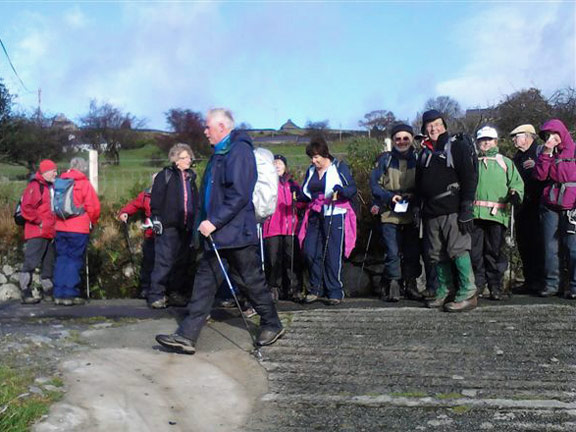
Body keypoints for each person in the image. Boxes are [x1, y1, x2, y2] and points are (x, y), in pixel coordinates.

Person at [156, 108, 284, 354]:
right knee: (205, 282)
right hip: (218, 233)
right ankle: (187, 335)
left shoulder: (239, 152)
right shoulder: (220, 152)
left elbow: (239, 195)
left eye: (208, 127)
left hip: (234, 233)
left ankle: (272, 322)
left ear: (222, 127)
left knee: (250, 281)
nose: (205, 132)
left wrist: (213, 221)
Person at [416, 110, 478, 312]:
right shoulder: (424, 152)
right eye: (429, 125)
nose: (433, 128)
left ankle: (468, 293)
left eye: (437, 124)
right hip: (431, 211)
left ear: (444, 125)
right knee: (436, 254)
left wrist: (467, 206)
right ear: (424, 128)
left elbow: (469, 177)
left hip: (452, 208)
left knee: (458, 250)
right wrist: (417, 206)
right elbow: (418, 184)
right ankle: (445, 290)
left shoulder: (456, 146)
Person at [296, 135, 357, 305]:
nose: (313, 161)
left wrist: (341, 190)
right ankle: (316, 288)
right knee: (309, 251)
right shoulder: (310, 170)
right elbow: (306, 191)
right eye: (312, 157)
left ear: (325, 154)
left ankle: (335, 291)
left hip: (334, 212)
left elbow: (351, 188)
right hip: (315, 212)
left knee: (332, 253)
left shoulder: (339, 167)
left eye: (316, 157)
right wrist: (300, 196)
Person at [370, 123, 422, 302]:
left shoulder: (419, 158)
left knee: (412, 251)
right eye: (398, 138)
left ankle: (411, 284)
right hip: (389, 212)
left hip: (411, 211)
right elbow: (374, 185)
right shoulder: (384, 160)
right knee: (392, 251)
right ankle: (393, 284)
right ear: (392, 141)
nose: (402, 141)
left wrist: (413, 195)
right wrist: (389, 197)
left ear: (412, 139)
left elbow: (426, 184)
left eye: (405, 138)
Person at [470, 126, 524, 300]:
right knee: (475, 252)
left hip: (497, 215)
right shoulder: (472, 162)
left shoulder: (505, 162)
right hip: (475, 215)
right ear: (477, 143)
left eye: (489, 139)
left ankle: (495, 286)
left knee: (494, 251)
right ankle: (479, 285)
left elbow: (516, 182)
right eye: (482, 140)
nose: (485, 142)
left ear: (495, 141)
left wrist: (515, 193)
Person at [148, 143, 198, 309]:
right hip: (169, 225)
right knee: (164, 261)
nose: (188, 160)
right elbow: (156, 199)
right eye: (184, 157)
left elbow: (195, 201)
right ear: (176, 160)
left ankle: (175, 293)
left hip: (186, 226)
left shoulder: (191, 178)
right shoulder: (166, 175)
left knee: (181, 262)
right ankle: (156, 294)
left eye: (189, 157)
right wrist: (156, 219)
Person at [533, 119, 576, 299]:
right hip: (550, 204)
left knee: (573, 247)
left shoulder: (573, 149)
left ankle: (574, 286)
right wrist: (547, 154)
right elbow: (540, 176)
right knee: (550, 246)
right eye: (547, 135)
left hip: (572, 204)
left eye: (554, 134)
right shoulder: (544, 152)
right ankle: (552, 284)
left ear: (562, 132)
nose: (551, 138)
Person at [53, 157, 100, 306]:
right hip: (78, 228)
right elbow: (93, 207)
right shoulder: (84, 184)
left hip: (60, 226)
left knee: (62, 258)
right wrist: (92, 222)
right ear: (83, 168)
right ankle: (70, 293)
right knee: (74, 259)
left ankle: (58, 293)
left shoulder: (60, 183)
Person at [262, 154, 303, 302]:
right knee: (273, 260)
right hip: (271, 227)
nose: (277, 165)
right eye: (275, 163)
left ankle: (293, 289)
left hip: (290, 227)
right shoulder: (266, 183)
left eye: (280, 163)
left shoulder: (293, 184)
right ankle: (274, 289)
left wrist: (297, 204)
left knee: (291, 259)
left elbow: (302, 201)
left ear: (285, 166)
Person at [511, 124, 545, 294]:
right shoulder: (518, 157)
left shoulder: (538, 152)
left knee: (536, 244)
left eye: (516, 136)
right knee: (524, 244)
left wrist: (538, 165)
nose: (513, 140)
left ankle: (539, 281)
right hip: (522, 208)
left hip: (536, 207)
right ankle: (529, 280)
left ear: (527, 136)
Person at [18, 159, 58, 304]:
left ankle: (48, 292)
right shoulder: (35, 186)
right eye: (53, 170)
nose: (56, 173)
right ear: (46, 172)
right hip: (37, 231)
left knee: (48, 263)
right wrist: (40, 222)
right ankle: (25, 292)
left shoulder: (48, 186)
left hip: (47, 231)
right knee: (31, 262)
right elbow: (26, 208)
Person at [118, 174, 156, 299]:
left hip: (166, 235)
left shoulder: (170, 195)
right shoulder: (146, 196)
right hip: (151, 235)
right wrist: (124, 212)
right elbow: (134, 204)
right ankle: (146, 288)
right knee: (148, 261)